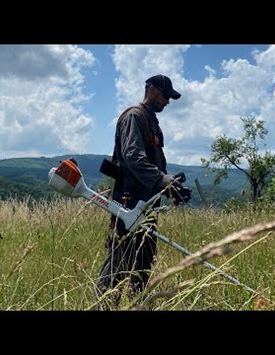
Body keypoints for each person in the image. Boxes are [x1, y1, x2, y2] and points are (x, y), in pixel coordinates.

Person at [95, 74, 191, 307]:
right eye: (166, 95)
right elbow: (133, 157)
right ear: (152, 89)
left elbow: (154, 165)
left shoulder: (151, 121)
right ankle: (103, 306)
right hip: (129, 202)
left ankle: (137, 305)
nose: (167, 102)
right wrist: (163, 180)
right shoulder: (134, 117)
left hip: (147, 204)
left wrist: (169, 188)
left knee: (143, 263)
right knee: (119, 263)